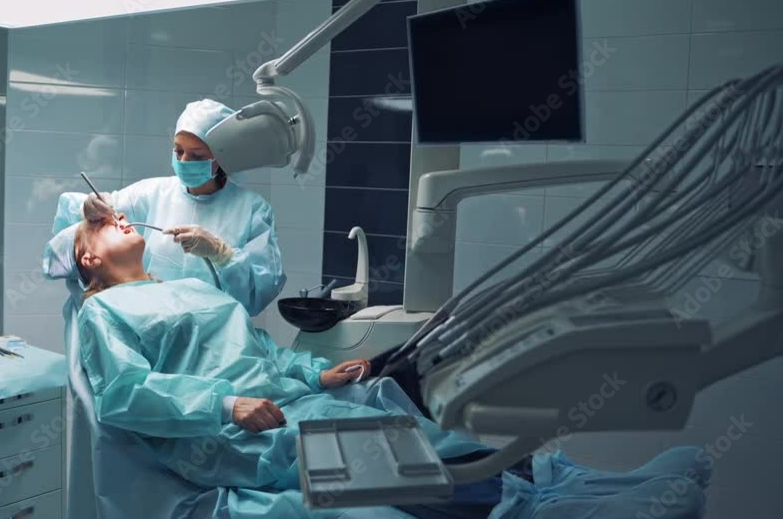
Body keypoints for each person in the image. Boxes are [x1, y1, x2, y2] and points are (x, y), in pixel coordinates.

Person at [66, 196, 711, 519]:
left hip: (297, 402)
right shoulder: (103, 314)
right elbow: (125, 396)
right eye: (104, 223)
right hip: (240, 440)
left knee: (434, 355)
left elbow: (258, 349)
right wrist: (226, 404)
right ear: (88, 259)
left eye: (121, 213)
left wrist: (314, 372)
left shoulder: (190, 284)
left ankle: (572, 481)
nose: (122, 218)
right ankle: (565, 505)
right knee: (392, 455)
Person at [104, 98, 285, 316]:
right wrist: (92, 206)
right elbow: (88, 229)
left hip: (217, 336)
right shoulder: (151, 194)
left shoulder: (252, 210)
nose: (184, 160)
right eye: (178, 150)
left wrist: (223, 254)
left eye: (197, 155)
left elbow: (260, 292)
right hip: (155, 329)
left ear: (222, 156)